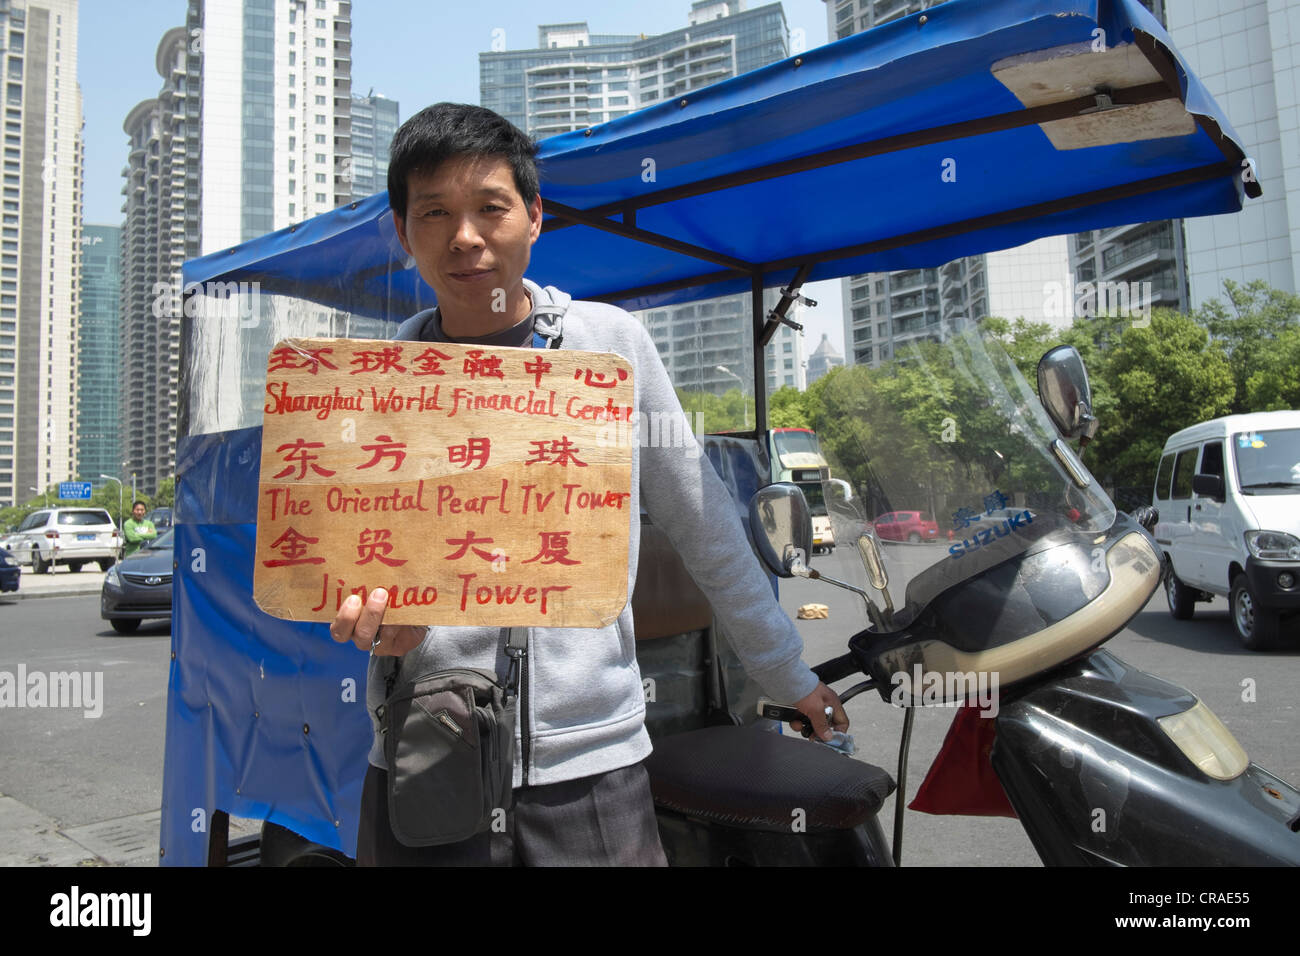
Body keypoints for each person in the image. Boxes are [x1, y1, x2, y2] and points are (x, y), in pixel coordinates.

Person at [329, 103, 847, 866]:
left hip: (590, 766)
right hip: (427, 756)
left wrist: (785, 673)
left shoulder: (609, 346)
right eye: (434, 213)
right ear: (405, 234)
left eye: (490, 208)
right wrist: (377, 627)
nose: (465, 237)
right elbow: (349, 566)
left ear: (534, 217)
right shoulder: (374, 385)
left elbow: (702, 522)